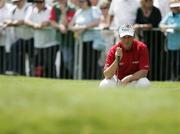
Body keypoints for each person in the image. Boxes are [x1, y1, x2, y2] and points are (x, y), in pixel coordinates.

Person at [159, 0, 180, 81]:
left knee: (178, 63)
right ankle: (174, 78)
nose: (174, 8)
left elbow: (178, 26)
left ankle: (177, 78)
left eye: (176, 7)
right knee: (172, 63)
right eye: (173, 7)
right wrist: (167, 27)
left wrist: (168, 27)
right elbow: (161, 25)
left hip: (179, 44)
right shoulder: (169, 15)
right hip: (171, 45)